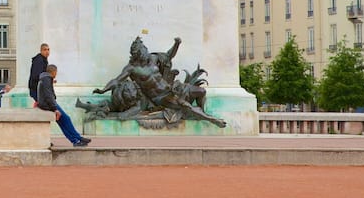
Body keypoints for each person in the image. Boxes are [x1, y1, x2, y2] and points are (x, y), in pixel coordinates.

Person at [95, 37, 226, 128]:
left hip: (172, 88)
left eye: (145, 50)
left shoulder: (152, 58)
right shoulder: (132, 68)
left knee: (201, 91)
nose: (146, 53)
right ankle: (212, 120)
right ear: (137, 55)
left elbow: (169, 55)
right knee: (186, 105)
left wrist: (177, 44)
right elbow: (116, 80)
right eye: (142, 52)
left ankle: (200, 114)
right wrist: (103, 90)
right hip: (160, 98)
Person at [37, 64, 90, 147]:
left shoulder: (44, 78)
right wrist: (55, 109)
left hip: (46, 104)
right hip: (48, 105)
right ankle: (77, 139)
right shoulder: (47, 79)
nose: (56, 74)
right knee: (66, 119)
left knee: (62, 122)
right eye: (56, 72)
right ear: (53, 72)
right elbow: (48, 95)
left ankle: (76, 140)